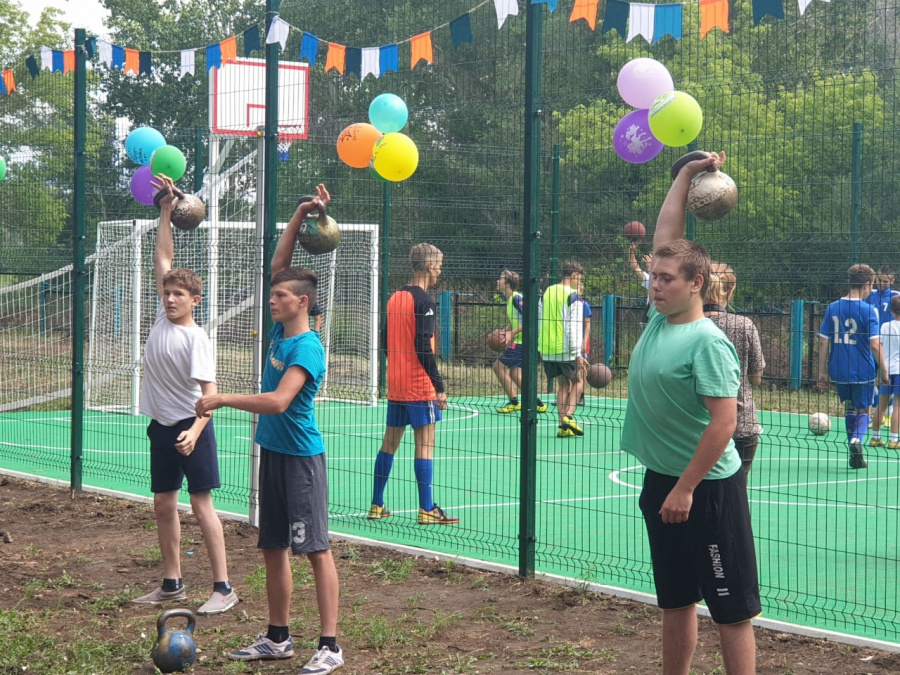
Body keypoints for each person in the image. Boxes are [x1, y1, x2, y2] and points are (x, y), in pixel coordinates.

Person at [195, 184, 344, 673]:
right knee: (273, 547)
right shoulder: (283, 329)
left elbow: (279, 402)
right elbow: (280, 263)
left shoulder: (307, 347)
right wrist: (302, 213)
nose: (272, 299)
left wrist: (222, 398)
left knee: (315, 550)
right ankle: (278, 637)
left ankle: (330, 645)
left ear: (302, 303)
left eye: (280, 296)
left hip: (301, 458)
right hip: (274, 455)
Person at [620, 151, 759, 675]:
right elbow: (666, 237)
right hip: (663, 481)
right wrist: (684, 175)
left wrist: (686, 488)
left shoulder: (707, 341)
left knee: (731, 608)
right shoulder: (660, 321)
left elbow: (725, 423)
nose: (655, 284)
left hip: (706, 492)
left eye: (667, 279)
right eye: (653, 276)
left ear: (696, 284)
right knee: (676, 601)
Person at [132, 175, 238, 616]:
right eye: (167, 292)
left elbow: (210, 395)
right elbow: (163, 254)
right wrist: (164, 210)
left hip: (191, 429)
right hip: (161, 426)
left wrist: (195, 431)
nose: (170, 298)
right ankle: (172, 582)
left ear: (196, 300)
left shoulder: (197, 339)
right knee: (163, 503)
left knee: (201, 505)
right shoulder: (161, 316)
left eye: (179, 294)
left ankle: (224, 587)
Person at [367, 243, 459, 525]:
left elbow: (384, 339)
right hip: (419, 386)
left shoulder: (395, 297)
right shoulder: (425, 302)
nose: (440, 270)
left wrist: (395, 369)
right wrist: (439, 386)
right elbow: (423, 346)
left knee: (389, 444)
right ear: (429, 266)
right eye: (439, 264)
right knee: (425, 445)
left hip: (397, 384)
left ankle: (377, 504)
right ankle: (427, 508)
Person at [818, 263, 889, 469]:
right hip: (863, 370)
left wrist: (823, 372)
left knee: (849, 406)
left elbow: (823, 341)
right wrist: (884, 371)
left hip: (838, 368)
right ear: (867, 284)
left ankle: (853, 455)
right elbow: (875, 345)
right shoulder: (869, 311)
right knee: (865, 408)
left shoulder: (832, 307)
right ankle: (856, 440)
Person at [703, 263, 766, 474]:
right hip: (741, 422)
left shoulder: (687, 324)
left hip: (698, 422)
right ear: (731, 290)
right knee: (736, 491)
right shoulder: (744, 325)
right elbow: (756, 377)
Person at [538, 261, 587, 438]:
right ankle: (569, 417)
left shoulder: (547, 292)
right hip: (566, 349)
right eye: (579, 278)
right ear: (573, 275)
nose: (579, 283)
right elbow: (571, 326)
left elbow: (539, 319)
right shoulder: (572, 296)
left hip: (547, 348)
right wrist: (577, 354)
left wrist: (540, 346)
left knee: (563, 385)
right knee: (580, 381)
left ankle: (562, 427)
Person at [492, 269, 547, 414]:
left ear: (508, 283)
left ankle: (514, 402)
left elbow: (529, 318)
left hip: (524, 342)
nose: (498, 281)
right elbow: (516, 321)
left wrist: (512, 333)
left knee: (498, 367)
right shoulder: (510, 301)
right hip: (521, 340)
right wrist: (505, 331)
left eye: (501, 278)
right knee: (516, 375)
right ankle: (537, 403)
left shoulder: (517, 298)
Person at [871, 296, 900, 448]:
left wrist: (883, 369)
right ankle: (894, 440)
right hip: (899, 371)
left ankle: (875, 438)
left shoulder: (885, 326)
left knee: (881, 405)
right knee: (898, 406)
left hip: (886, 369)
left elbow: (879, 346)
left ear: (891, 310)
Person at [628, 242, 653, 324]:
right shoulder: (650, 277)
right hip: (649, 309)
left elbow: (656, 284)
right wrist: (632, 252)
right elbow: (634, 268)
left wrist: (651, 269)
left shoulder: (664, 278)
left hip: (659, 310)